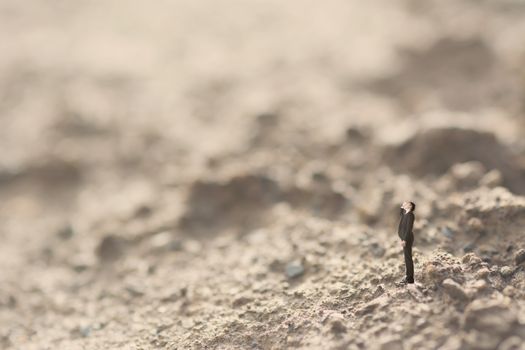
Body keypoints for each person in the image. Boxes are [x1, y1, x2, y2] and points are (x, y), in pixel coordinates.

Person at [398, 201, 415, 284]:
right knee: (406, 258)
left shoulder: (410, 215)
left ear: (410, 206)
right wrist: (402, 207)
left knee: (408, 258)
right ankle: (408, 276)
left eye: (406, 203)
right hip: (404, 238)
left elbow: (409, 228)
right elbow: (401, 215)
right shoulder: (405, 214)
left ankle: (410, 278)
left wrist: (405, 239)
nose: (404, 204)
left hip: (407, 239)